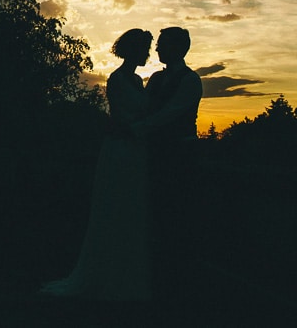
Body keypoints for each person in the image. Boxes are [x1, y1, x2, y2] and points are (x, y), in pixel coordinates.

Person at [41, 29, 154, 301]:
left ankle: (124, 272)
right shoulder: (117, 79)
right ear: (133, 50)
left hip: (135, 150)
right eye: (144, 49)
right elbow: (123, 117)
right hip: (119, 150)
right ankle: (105, 274)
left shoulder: (138, 81)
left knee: (130, 209)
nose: (147, 54)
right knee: (113, 206)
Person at [133, 26, 203, 301]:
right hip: (156, 155)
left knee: (177, 217)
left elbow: (171, 114)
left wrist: (137, 129)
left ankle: (178, 284)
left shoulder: (190, 80)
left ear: (177, 47)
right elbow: (148, 107)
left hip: (180, 158)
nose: (158, 49)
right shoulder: (156, 79)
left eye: (162, 44)